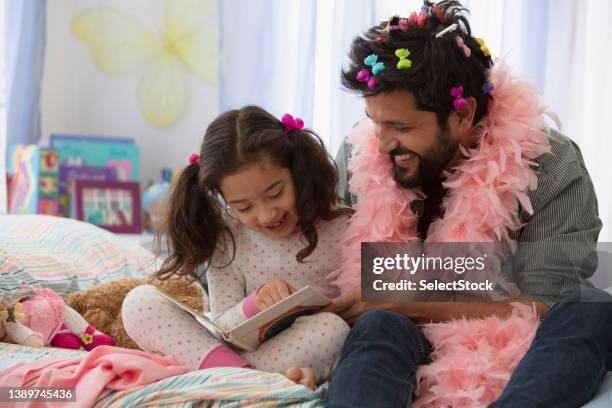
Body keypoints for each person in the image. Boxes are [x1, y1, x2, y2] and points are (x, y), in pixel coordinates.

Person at [324, 1, 612, 407]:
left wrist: (413, 301)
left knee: (593, 309)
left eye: (402, 127)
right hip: (391, 337)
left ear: (464, 115)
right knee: (379, 323)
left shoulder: (550, 164)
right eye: (376, 122)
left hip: (503, 340)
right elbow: (324, 261)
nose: (384, 142)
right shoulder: (363, 155)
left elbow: (547, 300)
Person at [122, 106, 352, 389]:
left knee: (332, 329)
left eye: (276, 193)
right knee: (139, 301)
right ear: (225, 199)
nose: (266, 215)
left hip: (297, 349)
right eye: (244, 207)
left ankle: (228, 382)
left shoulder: (342, 223)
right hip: (228, 355)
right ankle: (244, 382)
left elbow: (378, 303)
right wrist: (254, 305)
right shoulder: (228, 235)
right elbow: (223, 326)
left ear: (296, 169)